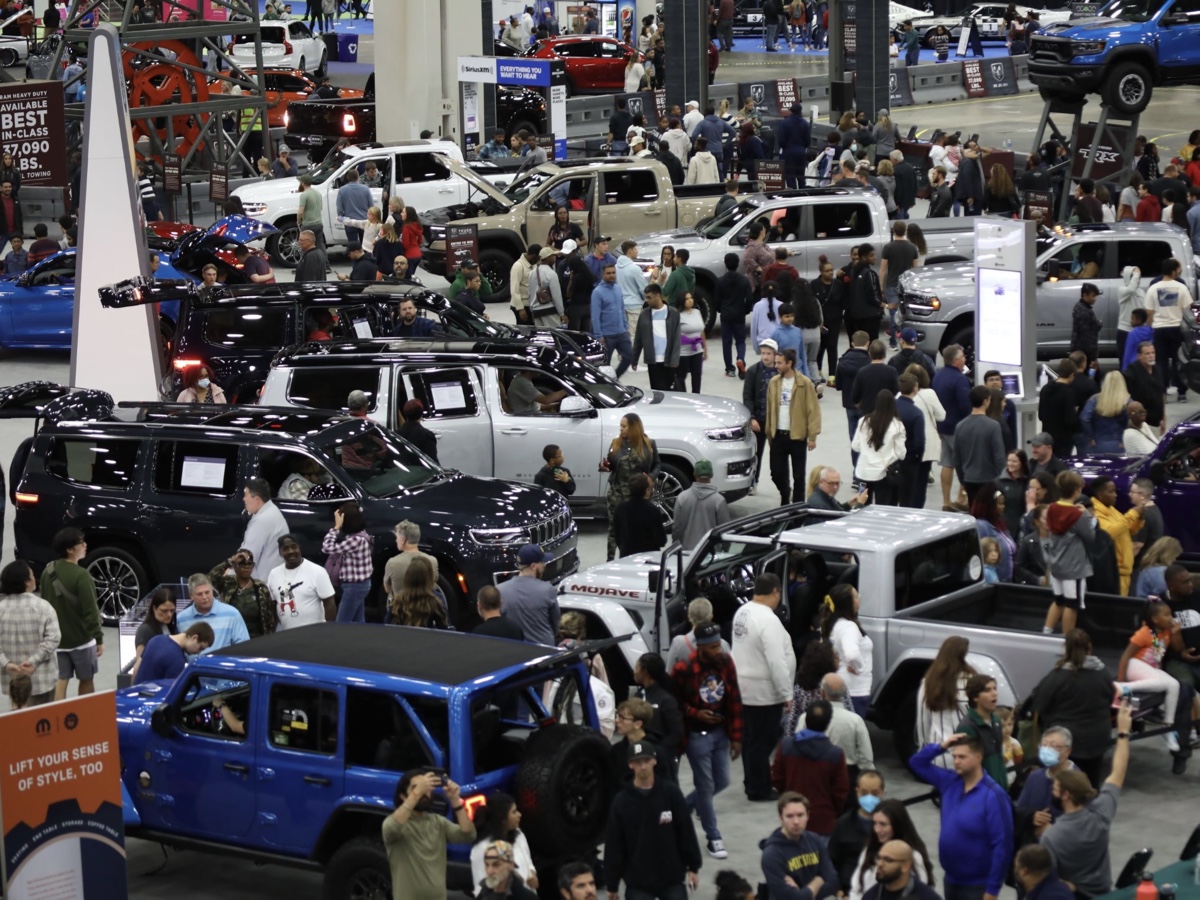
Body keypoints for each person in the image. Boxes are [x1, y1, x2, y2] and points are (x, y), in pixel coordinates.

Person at [1039, 703, 1133, 896]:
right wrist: (1123, 733)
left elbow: (1048, 879)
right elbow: (1118, 772)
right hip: (1103, 892)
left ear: (1066, 795)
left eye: (1055, 789)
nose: (1052, 791)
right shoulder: (1101, 813)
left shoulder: (1051, 836)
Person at [909, 734, 1013, 900]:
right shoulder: (950, 781)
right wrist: (941, 747)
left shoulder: (993, 795)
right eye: (954, 756)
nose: (956, 761)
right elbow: (916, 763)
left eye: (962, 757)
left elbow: (1002, 846)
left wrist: (993, 890)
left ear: (979, 757)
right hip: (950, 880)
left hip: (978, 885)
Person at [671, 620, 743, 859]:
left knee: (721, 781)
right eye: (712, 647)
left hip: (720, 732)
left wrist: (735, 736)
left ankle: (683, 807)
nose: (718, 650)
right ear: (700, 648)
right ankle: (714, 837)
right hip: (696, 735)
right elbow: (674, 704)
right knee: (706, 785)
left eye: (718, 645)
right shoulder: (683, 669)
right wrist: (695, 713)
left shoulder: (725, 662)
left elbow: (734, 697)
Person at [732, 574, 796, 802]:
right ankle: (759, 788)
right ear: (776, 592)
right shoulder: (768, 620)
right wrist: (786, 692)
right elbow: (776, 661)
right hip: (764, 693)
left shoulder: (743, 612)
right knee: (763, 741)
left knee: (751, 740)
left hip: (744, 687)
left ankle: (752, 782)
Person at [383, 768, 477, 900]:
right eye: (416, 787)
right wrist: (417, 793)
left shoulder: (438, 822)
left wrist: (455, 800)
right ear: (403, 796)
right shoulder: (395, 824)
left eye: (426, 787)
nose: (423, 792)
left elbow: (468, 835)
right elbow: (392, 828)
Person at [771, 699, 850, 841]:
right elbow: (841, 791)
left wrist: (787, 802)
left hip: (792, 820)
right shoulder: (835, 754)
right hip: (823, 822)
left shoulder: (786, 746)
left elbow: (776, 778)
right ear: (828, 723)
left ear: (805, 720)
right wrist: (831, 813)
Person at [40, 527, 103, 701]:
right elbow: (91, 612)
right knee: (86, 678)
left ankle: (58, 715)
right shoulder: (81, 576)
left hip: (57, 640)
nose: (85, 545)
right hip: (82, 639)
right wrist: (98, 638)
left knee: (61, 680)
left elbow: (44, 605)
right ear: (70, 549)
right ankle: (85, 714)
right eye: (80, 542)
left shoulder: (48, 571)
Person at [1116, 600, 1183, 752]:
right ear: (1155, 619)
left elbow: (1178, 648)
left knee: (1174, 685)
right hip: (1135, 665)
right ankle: (1123, 687)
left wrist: (1176, 632)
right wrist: (1121, 677)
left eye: (1170, 614)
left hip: (1151, 668)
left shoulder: (1167, 632)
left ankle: (1168, 727)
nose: (1171, 617)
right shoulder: (1144, 633)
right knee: (1160, 683)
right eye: (1166, 615)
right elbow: (1126, 656)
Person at [0, 560, 61, 707]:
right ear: (27, 582)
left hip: (14, 682)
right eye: (32, 575)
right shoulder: (43, 607)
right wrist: (33, 661)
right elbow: (53, 639)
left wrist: (7, 664)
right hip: (41, 680)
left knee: (19, 720)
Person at [767, 348, 822, 506]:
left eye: (779, 362)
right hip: (778, 434)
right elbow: (771, 408)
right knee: (776, 472)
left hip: (797, 436)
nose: (776, 365)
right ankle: (785, 494)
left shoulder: (804, 383)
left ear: (789, 363)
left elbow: (813, 410)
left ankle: (798, 508)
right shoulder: (774, 382)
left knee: (799, 476)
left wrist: (812, 436)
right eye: (776, 362)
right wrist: (769, 432)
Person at [761, 792, 839, 900]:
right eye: (789, 816)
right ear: (781, 818)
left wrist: (802, 893)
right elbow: (792, 898)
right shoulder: (772, 854)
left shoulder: (815, 840)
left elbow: (834, 881)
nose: (796, 822)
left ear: (808, 815)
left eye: (800, 815)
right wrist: (819, 880)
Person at [603, 413, 660, 560]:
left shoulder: (649, 444)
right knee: (614, 529)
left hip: (638, 494)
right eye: (620, 426)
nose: (620, 429)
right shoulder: (615, 443)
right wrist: (605, 466)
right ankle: (610, 560)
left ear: (633, 427)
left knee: (636, 529)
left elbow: (657, 464)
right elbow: (610, 463)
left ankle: (633, 558)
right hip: (617, 494)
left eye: (624, 426)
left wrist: (652, 477)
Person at [916, 636, 974, 768]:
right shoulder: (971, 680)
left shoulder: (929, 682)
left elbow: (922, 720)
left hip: (940, 752)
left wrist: (924, 749)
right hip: (968, 753)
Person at [829, 771, 887, 892]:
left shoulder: (893, 823)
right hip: (850, 890)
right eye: (864, 793)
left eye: (875, 793)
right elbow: (832, 862)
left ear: (883, 793)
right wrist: (839, 890)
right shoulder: (843, 824)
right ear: (857, 792)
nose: (869, 797)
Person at [1089, 475, 1144, 596]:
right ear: (1100, 493)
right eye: (1111, 491)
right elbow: (1108, 533)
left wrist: (1139, 519)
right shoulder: (1095, 512)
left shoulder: (1112, 510)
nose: (1115, 495)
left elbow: (1126, 530)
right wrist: (1133, 514)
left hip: (1125, 572)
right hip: (1114, 573)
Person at [933, 345, 972, 511]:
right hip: (958, 428)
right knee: (966, 465)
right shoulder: (960, 379)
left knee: (947, 463)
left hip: (942, 426)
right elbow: (965, 406)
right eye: (962, 356)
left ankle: (946, 501)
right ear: (956, 360)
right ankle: (961, 498)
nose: (965, 359)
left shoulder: (938, 375)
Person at [496, 544, 559, 646]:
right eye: (542, 562)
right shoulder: (548, 590)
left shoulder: (500, 590)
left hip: (514, 651)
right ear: (533, 566)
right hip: (544, 652)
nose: (545, 565)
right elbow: (556, 623)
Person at [267, 536, 336, 629]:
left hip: (315, 634)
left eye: (294, 547)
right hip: (286, 634)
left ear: (300, 548)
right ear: (280, 552)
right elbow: (274, 604)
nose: (291, 551)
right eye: (285, 549)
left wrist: (329, 630)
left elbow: (329, 603)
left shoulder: (317, 571)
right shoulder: (274, 573)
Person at [321, 502, 372, 624]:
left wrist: (336, 527)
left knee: (342, 624)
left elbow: (326, 547)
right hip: (359, 585)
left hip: (354, 587)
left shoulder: (356, 540)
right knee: (357, 622)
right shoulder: (361, 535)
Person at [852, 389, 906, 506]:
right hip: (884, 474)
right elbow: (901, 453)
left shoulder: (863, 421)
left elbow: (855, 446)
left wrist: (867, 450)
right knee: (883, 507)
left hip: (863, 472)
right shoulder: (897, 425)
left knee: (861, 505)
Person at [208, 550, 278, 639]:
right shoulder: (227, 583)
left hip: (256, 638)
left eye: (249, 564)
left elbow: (270, 619)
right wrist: (229, 561)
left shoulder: (260, 587)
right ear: (234, 566)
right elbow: (209, 579)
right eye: (242, 564)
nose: (246, 567)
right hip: (231, 637)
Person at [954, 386, 1006, 506]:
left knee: (974, 513)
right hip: (989, 480)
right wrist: (1002, 481)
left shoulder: (960, 426)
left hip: (969, 479)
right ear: (985, 401)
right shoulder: (993, 426)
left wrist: (963, 480)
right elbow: (999, 457)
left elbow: (957, 458)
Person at [954, 674, 1008, 788]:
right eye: (987, 690)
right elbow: (968, 766)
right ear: (975, 697)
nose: (994, 693)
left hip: (1000, 787)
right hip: (982, 790)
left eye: (994, 688)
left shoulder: (996, 721)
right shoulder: (967, 727)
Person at [176, 573, 251, 650]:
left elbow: (244, 647)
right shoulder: (181, 619)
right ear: (191, 596)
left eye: (207, 592)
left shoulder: (232, 614)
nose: (204, 597)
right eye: (199, 594)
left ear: (212, 591)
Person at [631, 283, 682, 391]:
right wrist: (634, 359)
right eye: (646, 298)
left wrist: (675, 359)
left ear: (658, 295)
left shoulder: (673, 313)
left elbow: (677, 338)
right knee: (656, 391)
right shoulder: (644, 314)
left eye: (649, 297)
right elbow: (638, 338)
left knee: (671, 391)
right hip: (652, 361)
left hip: (668, 361)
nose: (647, 301)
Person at [672, 459, 731, 550]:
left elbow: (677, 527)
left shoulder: (682, 497)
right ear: (711, 475)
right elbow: (725, 529)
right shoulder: (719, 500)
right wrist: (725, 549)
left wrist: (675, 545)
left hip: (687, 552)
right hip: (710, 553)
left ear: (694, 475)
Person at [133, 622, 214, 685]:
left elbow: (136, 668)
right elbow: (171, 696)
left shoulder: (156, 639)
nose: (198, 653)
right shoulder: (177, 660)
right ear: (194, 638)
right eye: (201, 648)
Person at [241, 477, 289, 580]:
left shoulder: (264, 520)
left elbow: (248, 556)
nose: (243, 499)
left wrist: (229, 572)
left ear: (257, 499)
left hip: (263, 585)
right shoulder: (269, 511)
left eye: (246, 495)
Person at [592, 262, 634, 377]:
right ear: (602, 274)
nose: (612, 275)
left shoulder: (618, 288)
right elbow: (595, 316)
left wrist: (626, 327)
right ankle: (606, 384)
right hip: (606, 336)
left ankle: (614, 378)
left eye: (613, 273)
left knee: (630, 356)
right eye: (608, 273)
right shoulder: (597, 292)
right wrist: (599, 336)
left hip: (621, 333)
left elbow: (621, 308)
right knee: (605, 365)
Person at [612, 472, 667, 557]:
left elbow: (617, 535)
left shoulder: (620, 509)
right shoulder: (653, 510)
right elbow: (661, 540)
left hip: (627, 557)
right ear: (646, 490)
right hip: (649, 558)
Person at [390, 557, 448, 630]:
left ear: (407, 577)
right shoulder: (434, 603)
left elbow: (387, 629)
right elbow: (444, 632)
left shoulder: (396, 602)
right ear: (428, 578)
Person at [853, 341, 901, 416]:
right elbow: (896, 392)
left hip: (867, 412)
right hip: (886, 413)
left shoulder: (862, 372)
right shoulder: (892, 371)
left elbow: (855, 395)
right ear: (884, 354)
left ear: (869, 354)